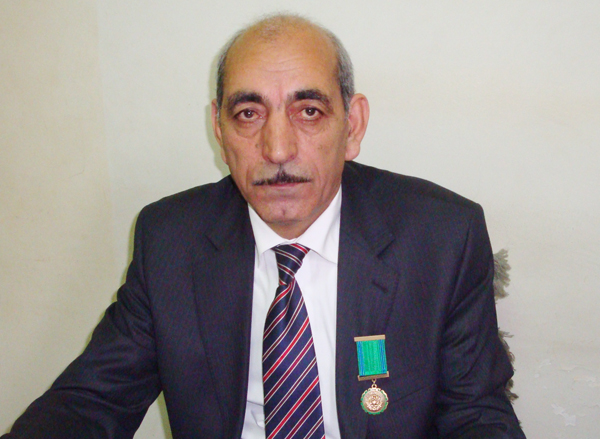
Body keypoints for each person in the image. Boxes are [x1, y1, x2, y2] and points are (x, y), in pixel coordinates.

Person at [4, 13, 525, 439]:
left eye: (309, 111)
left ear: (353, 125)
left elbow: (476, 416)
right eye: (249, 114)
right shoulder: (170, 242)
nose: (277, 150)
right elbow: (92, 402)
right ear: (218, 129)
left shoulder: (441, 237)